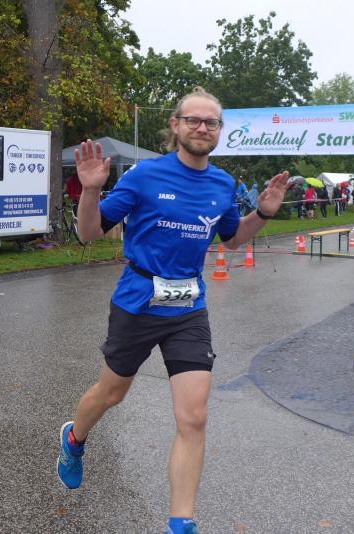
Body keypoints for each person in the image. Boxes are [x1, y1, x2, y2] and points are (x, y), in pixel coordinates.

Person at [57, 87, 289, 534]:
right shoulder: (145, 176)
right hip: (137, 302)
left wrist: (262, 213)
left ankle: (180, 524)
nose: (202, 128)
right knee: (111, 393)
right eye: (193, 120)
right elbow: (89, 233)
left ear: (219, 130)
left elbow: (232, 240)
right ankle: (74, 438)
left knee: (194, 417)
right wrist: (91, 191)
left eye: (211, 122)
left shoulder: (222, 184)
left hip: (188, 307)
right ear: (176, 125)